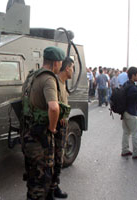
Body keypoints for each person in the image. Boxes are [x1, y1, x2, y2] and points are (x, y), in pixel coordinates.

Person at [21, 46, 65, 200]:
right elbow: (53, 107)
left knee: (32, 176)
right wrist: (52, 128)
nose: (61, 66)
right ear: (55, 63)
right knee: (42, 179)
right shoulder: (49, 79)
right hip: (40, 137)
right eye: (60, 63)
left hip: (28, 133)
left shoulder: (32, 76)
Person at [46, 58, 74, 200]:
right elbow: (51, 106)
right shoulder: (54, 83)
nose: (73, 71)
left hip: (61, 128)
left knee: (58, 161)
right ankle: (49, 191)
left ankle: (55, 186)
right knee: (53, 160)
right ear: (67, 68)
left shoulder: (62, 84)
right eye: (72, 68)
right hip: (56, 129)